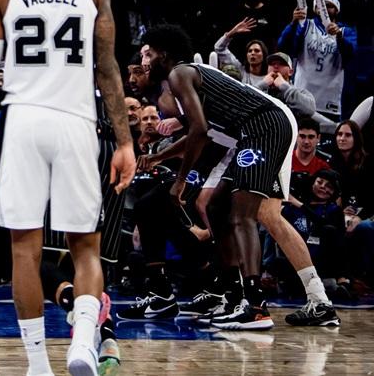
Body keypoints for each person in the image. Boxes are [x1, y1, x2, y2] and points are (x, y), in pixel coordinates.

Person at [0, 0, 135, 376]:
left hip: (23, 121)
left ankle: (37, 364)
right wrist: (124, 142)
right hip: (77, 122)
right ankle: (84, 342)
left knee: (24, 245)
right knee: (86, 244)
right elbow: (108, 70)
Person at [141, 25, 339, 329]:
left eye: (147, 54)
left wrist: (180, 181)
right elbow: (206, 135)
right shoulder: (182, 82)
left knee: (241, 214)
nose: (143, 61)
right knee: (244, 211)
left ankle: (256, 306)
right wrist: (157, 157)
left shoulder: (180, 74)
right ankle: (316, 300)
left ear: (163, 55)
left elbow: (199, 132)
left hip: (264, 125)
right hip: (261, 127)